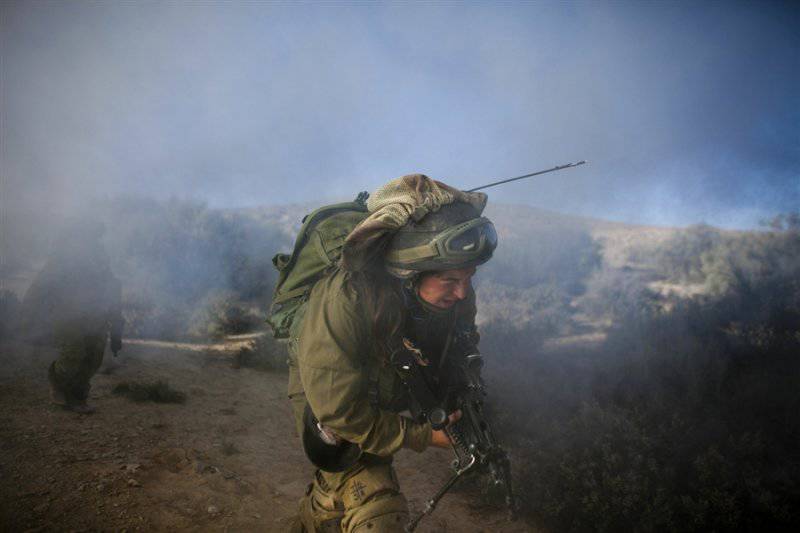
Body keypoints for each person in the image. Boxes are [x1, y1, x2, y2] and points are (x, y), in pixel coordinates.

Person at [288, 174, 497, 532]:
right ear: (409, 275)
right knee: (377, 508)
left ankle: (325, 498)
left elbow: (463, 343)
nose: (463, 293)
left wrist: (459, 391)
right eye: (450, 281)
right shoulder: (346, 299)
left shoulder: (456, 292)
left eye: (469, 278)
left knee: (348, 477)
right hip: (333, 396)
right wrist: (423, 436)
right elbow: (338, 411)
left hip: (390, 382)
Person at [20, 217, 124, 414]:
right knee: (74, 353)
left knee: (94, 358)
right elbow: (40, 286)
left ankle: (77, 395)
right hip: (67, 314)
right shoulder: (63, 256)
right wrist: (27, 316)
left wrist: (117, 324)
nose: (94, 239)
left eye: (96, 235)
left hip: (95, 314)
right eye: (90, 234)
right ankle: (58, 384)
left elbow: (111, 286)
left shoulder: (100, 256)